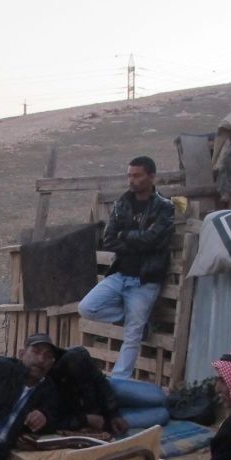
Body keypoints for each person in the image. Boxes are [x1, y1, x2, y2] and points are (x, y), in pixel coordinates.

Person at [77, 155, 175, 379]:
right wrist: (135, 239)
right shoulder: (122, 203)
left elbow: (154, 239)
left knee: (132, 336)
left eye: (137, 175)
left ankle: (119, 381)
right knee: (87, 308)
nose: (132, 180)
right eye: (129, 175)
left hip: (145, 278)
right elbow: (109, 239)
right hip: (120, 273)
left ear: (151, 176)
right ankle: (137, 323)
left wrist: (126, 236)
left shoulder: (164, 206)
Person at [49, 346, 170, 436]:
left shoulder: (74, 358)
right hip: (96, 419)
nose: (42, 359)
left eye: (46, 354)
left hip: (107, 395)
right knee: (162, 415)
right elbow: (56, 420)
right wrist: (87, 421)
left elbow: (100, 382)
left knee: (158, 396)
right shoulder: (43, 388)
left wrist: (114, 414)